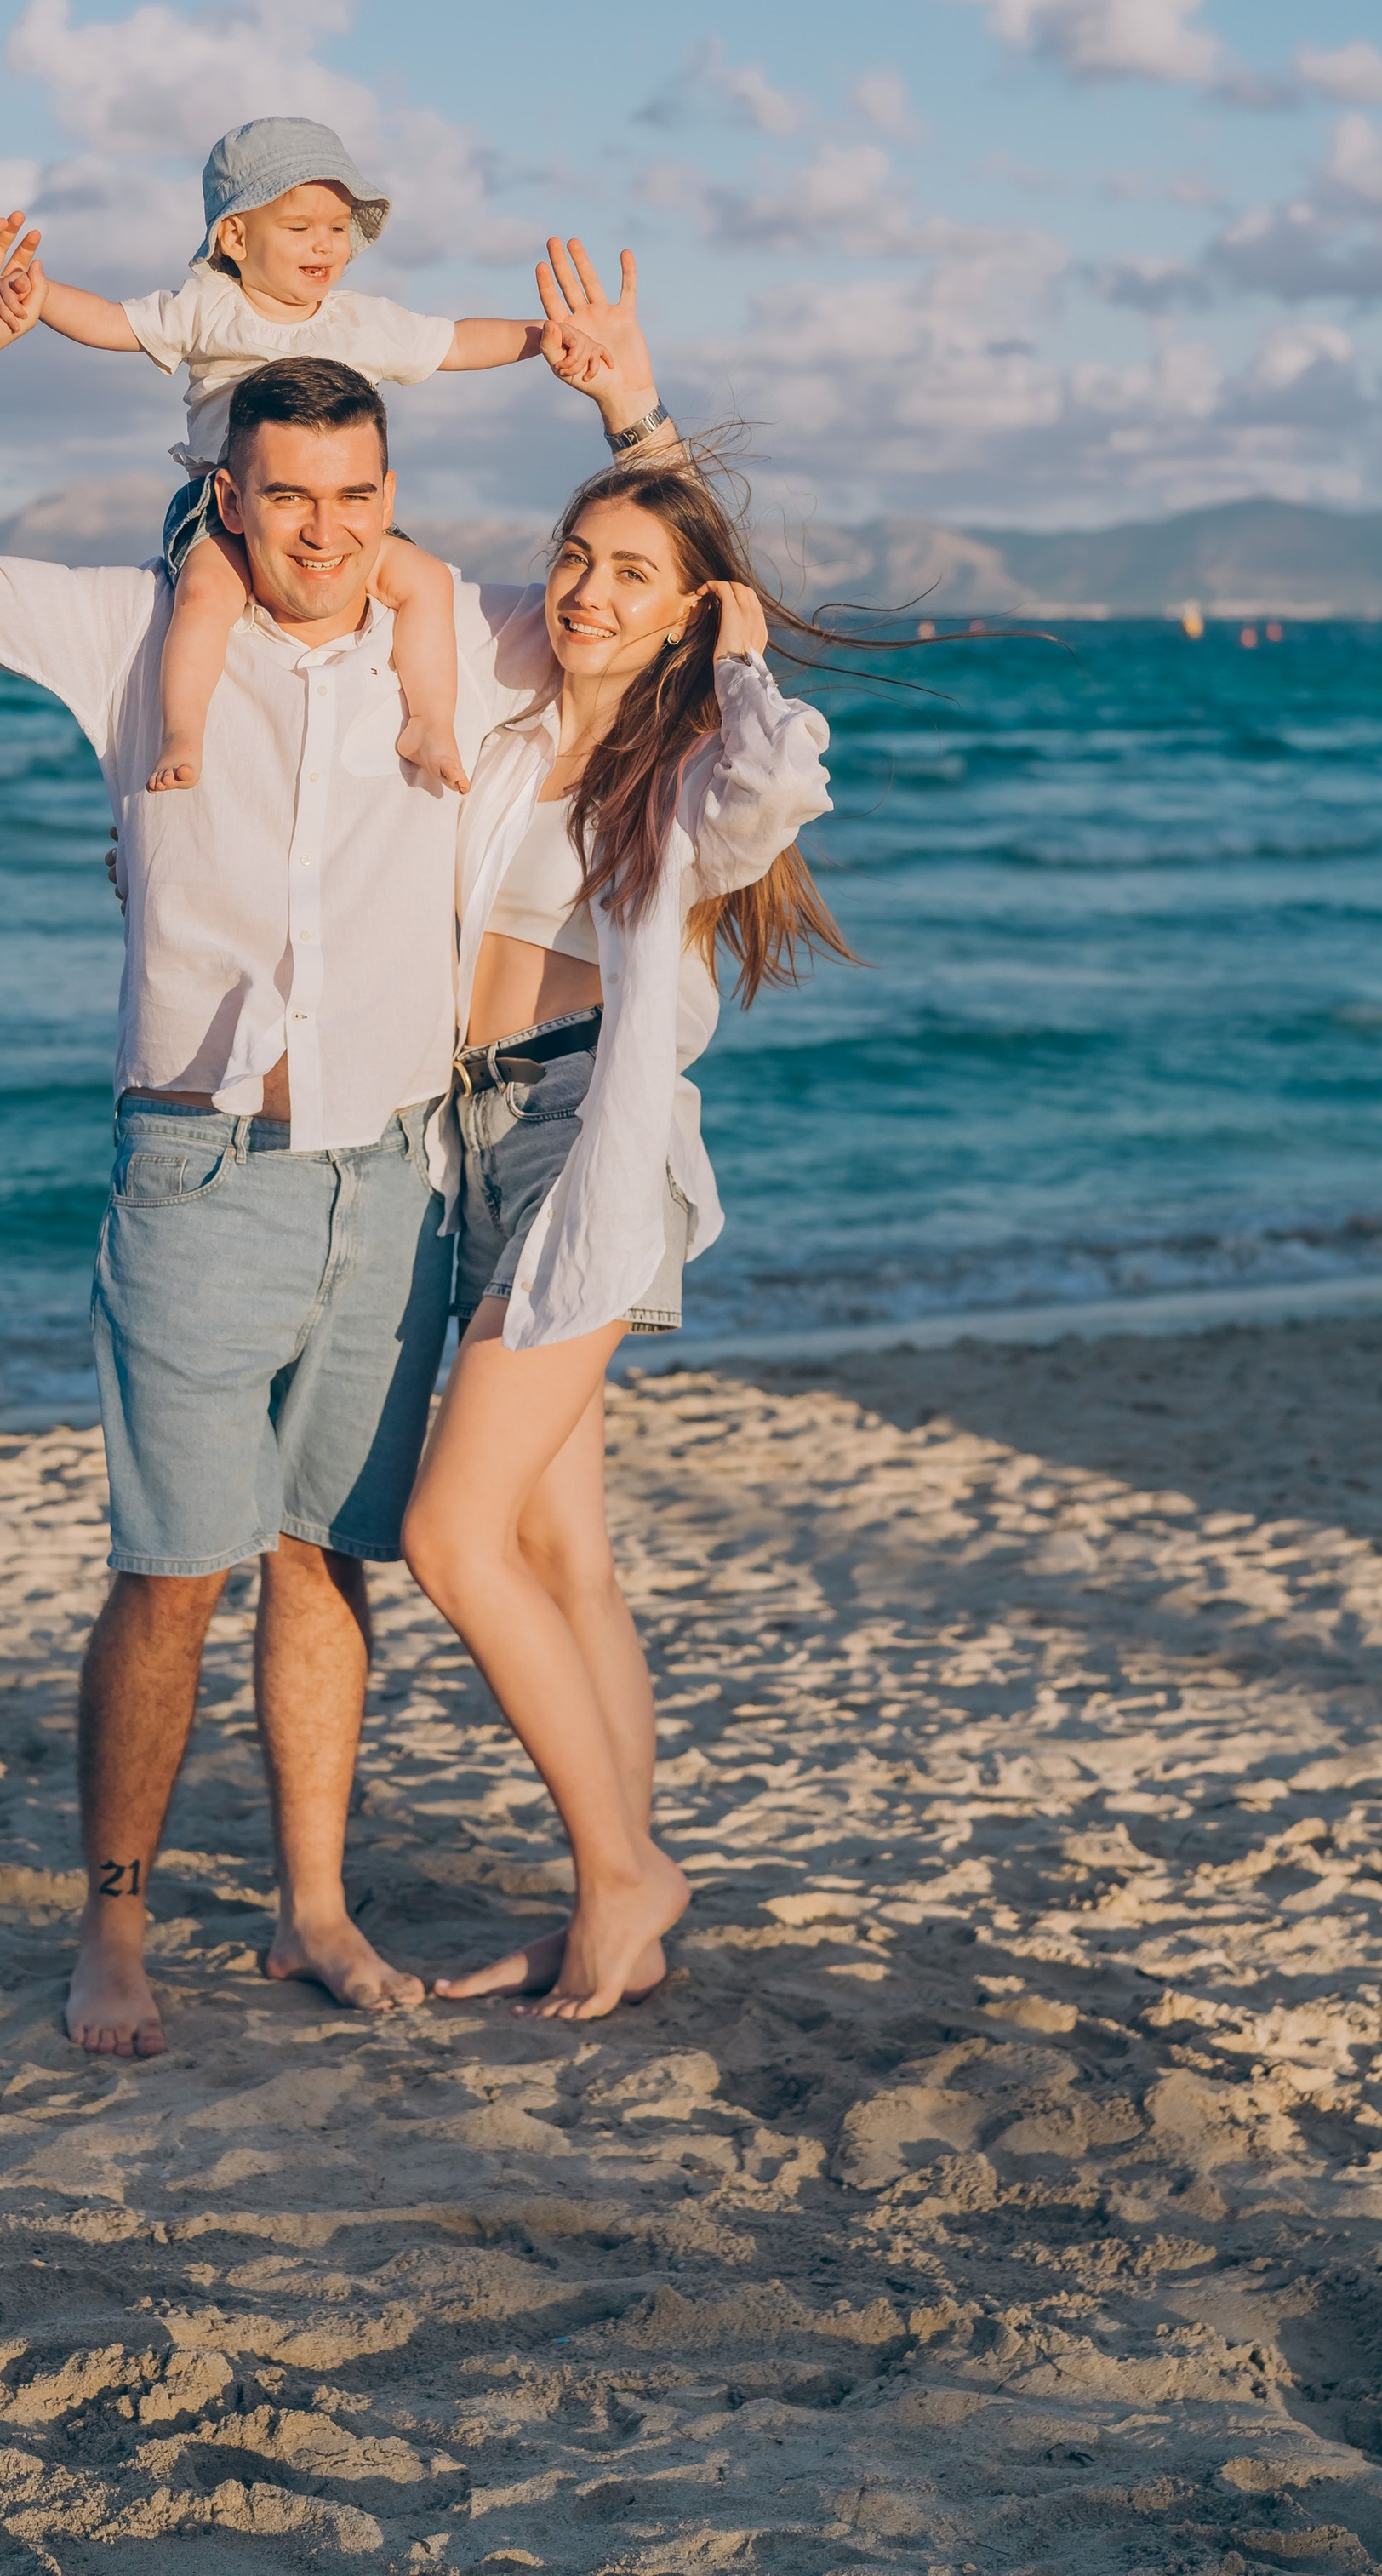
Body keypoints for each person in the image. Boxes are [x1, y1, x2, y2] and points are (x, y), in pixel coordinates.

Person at [0, 210, 646, 2059]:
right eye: (287, 497)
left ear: (391, 495)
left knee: (323, 1560)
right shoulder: (132, 636)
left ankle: (310, 1909)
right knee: (167, 1569)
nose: (326, 532)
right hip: (196, 1167)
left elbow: (651, 598)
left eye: (358, 496)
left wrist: (629, 412)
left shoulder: (457, 639)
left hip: (395, 1179)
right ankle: (111, 1934)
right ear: (223, 491)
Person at [399, 266, 845, 2023]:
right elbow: (464, 582)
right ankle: (621, 1893)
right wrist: (624, 425)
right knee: (565, 1554)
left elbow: (777, 772)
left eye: (629, 580)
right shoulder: (519, 684)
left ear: (684, 617)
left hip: (592, 1141)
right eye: (576, 561)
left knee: (450, 1542)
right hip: (484, 1139)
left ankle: (617, 1871)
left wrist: (732, 650)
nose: (587, 594)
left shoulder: (688, 778)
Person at [0, 117, 542, 795]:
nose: (324, 244)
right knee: (209, 592)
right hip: (222, 504)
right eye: (299, 228)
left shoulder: (362, 321)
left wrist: (545, 337)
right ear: (235, 237)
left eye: (337, 228)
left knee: (426, 582)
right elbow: (114, 322)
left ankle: (429, 719)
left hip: (325, 507)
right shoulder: (209, 307)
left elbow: (456, 344)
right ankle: (183, 729)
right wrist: (40, 297)